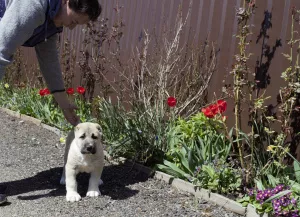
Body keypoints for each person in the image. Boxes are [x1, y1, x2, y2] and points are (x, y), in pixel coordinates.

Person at [0, 0, 102, 205]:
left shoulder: (50, 23)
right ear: (66, 2)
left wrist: (65, 105)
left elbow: (50, 63)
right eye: (73, 20)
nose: (70, 27)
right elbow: (1, 48)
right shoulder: (34, 5)